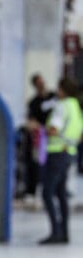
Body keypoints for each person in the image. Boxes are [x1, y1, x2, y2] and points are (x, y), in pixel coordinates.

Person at [39, 77, 83, 244]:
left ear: (62, 90)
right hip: (69, 152)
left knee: (47, 193)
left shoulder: (61, 107)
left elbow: (53, 129)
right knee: (61, 193)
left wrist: (40, 128)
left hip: (57, 152)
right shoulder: (76, 107)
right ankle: (64, 232)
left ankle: (55, 232)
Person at [24, 73, 56, 205]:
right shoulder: (34, 103)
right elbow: (31, 121)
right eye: (38, 83)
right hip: (41, 138)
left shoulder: (53, 97)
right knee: (35, 164)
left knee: (53, 166)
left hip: (55, 137)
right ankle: (32, 191)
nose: (41, 84)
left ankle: (55, 190)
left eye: (42, 81)